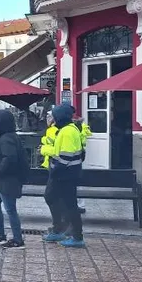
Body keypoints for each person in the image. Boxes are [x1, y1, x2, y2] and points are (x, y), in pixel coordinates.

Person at [42, 104, 86, 248]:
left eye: (54, 116)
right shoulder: (70, 129)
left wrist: (55, 169)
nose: (53, 119)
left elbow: (65, 157)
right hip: (68, 174)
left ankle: (75, 235)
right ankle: (61, 229)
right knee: (56, 199)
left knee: (68, 204)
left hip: (64, 174)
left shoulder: (67, 132)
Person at [0, 110, 29, 248]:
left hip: (7, 180)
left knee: (10, 209)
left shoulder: (7, 139)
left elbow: (10, 159)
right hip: (1, 181)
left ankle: (18, 239)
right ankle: (0, 234)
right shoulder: (8, 136)